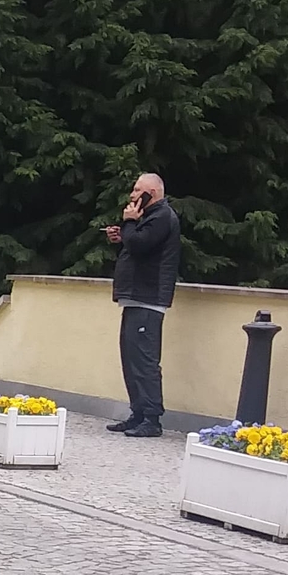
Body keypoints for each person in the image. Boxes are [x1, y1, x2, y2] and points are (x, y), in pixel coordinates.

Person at [104, 172, 180, 437]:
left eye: (138, 190)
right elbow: (135, 245)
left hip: (149, 299)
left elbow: (139, 245)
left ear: (153, 194)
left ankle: (152, 419)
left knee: (145, 360)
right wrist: (122, 234)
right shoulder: (147, 217)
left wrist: (127, 225)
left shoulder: (161, 217)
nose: (133, 195)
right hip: (136, 298)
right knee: (131, 357)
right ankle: (137, 413)